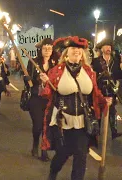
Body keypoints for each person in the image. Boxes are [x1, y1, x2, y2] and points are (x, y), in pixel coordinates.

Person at [39, 36, 111, 180]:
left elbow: (95, 93)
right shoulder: (56, 71)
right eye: (73, 48)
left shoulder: (89, 71)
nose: (76, 51)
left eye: (79, 49)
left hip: (83, 121)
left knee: (81, 155)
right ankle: (53, 172)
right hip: (62, 121)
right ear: (66, 52)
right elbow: (46, 94)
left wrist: (105, 100)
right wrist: (45, 83)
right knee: (63, 153)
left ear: (82, 53)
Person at [24, 38, 58, 161]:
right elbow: (28, 80)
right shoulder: (33, 62)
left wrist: (49, 80)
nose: (47, 50)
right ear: (41, 50)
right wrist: (36, 79)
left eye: (49, 48)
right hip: (36, 98)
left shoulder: (56, 63)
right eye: (45, 48)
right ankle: (35, 144)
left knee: (47, 126)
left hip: (50, 99)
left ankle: (44, 150)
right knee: (38, 125)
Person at [91, 39, 122, 140]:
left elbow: (119, 75)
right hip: (100, 90)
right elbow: (93, 76)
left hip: (112, 90)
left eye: (109, 46)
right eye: (106, 46)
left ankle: (114, 132)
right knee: (98, 112)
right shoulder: (96, 61)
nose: (108, 48)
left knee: (112, 112)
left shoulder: (116, 62)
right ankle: (96, 133)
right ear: (102, 48)